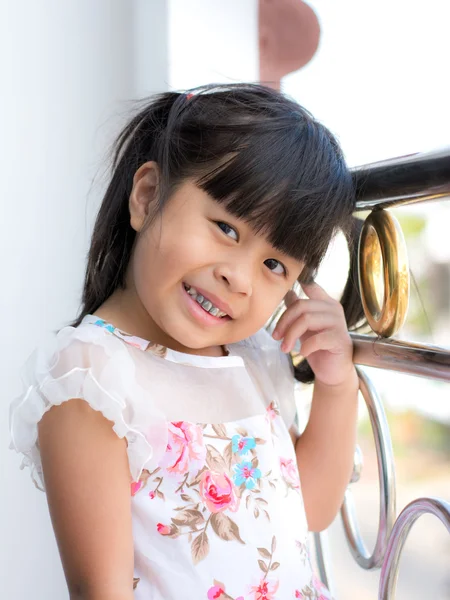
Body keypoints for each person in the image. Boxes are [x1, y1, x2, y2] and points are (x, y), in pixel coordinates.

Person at [10, 83, 364, 600]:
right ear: (148, 195)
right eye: (226, 227)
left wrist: (337, 383)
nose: (240, 280)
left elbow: (309, 507)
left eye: (273, 265)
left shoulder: (254, 357)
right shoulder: (93, 377)